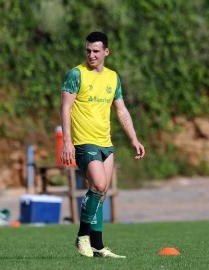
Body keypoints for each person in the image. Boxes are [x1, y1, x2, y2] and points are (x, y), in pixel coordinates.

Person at [60, 31, 145, 258]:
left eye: (96, 51)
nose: (91, 55)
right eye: (88, 50)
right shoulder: (76, 74)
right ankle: (82, 237)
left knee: (102, 193)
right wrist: (67, 141)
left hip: (105, 142)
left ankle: (97, 246)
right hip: (83, 141)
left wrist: (134, 139)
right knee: (98, 185)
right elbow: (65, 108)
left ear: (106, 52)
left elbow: (122, 110)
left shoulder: (112, 77)